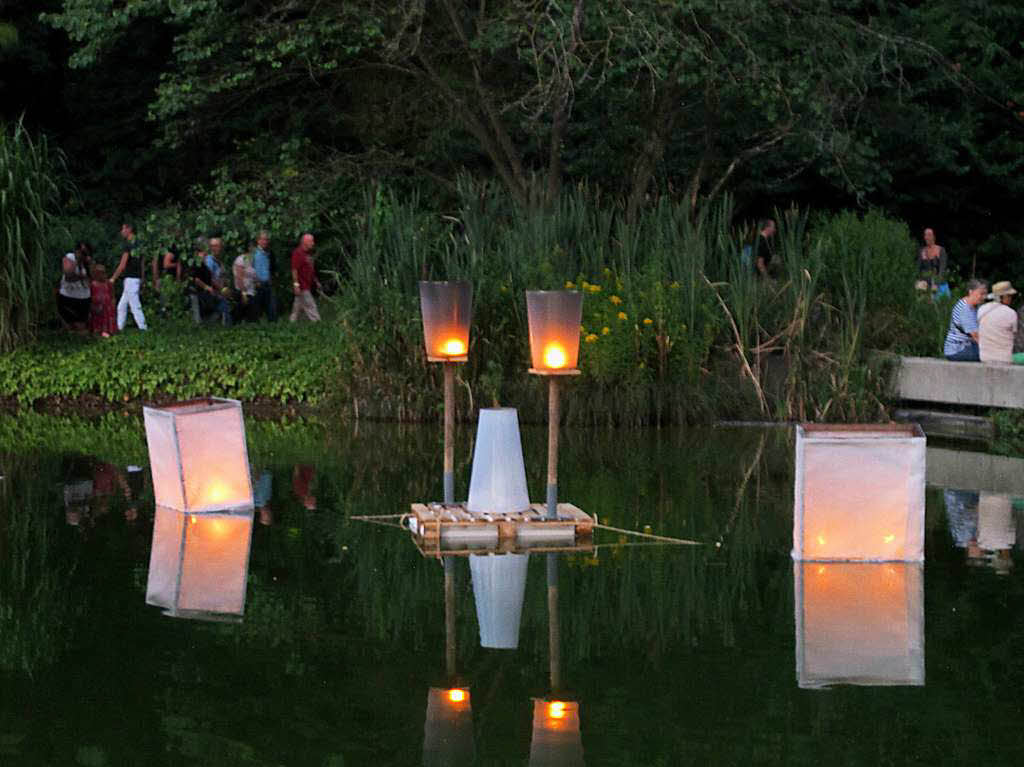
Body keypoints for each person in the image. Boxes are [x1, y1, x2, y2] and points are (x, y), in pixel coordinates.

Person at [110, 223, 148, 331]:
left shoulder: (128, 245)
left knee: (135, 305)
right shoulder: (139, 244)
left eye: (123, 228)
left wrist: (113, 278)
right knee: (121, 306)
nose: (122, 231)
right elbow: (142, 263)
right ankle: (119, 327)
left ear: (129, 229)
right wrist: (142, 277)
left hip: (130, 279)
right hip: (136, 278)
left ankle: (143, 328)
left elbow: (122, 264)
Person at [943, 279, 987, 361]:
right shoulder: (965, 309)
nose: (983, 297)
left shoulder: (972, 306)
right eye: (981, 294)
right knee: (989, 356)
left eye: (985, 294)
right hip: (957, 350)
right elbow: (975, 336)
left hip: (966, 346)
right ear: (971, 292)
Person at [190, 243, 231, 325]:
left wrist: (221, 288)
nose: (205, 255)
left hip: (207, 292)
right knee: (220, 303)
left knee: (223, 302)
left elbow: (210, 279)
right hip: (198, 292)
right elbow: (196, 279)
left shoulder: (204, 264)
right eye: (203, 253)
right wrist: (207, 287)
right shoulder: (196, 264)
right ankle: (224, 323)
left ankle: (222, 322)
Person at [977, 281, 1018, 363]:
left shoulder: (981, 309)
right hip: (1004, 359)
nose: (1011, 298)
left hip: (984, 357)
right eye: (1009, 296)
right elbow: (1015, 334)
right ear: (1002, 297)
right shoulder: (1011, 313)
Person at [57, 241, 93, 331]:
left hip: (83, 297)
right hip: (68, 296)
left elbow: (92, 278)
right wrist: (78, 261)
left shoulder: (87, 262)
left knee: (81, 326)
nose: (82, 254)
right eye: (81, 251)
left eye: (85, 252)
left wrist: (89, 264)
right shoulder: (70, 257)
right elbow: (68, 274)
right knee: (68, 326)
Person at [289, 233, 321, 322]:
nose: (313, 243)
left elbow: (310, 270)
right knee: (311, 306)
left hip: (307, 285)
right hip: (302, 286)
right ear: (305, 242)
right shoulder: (297, 253)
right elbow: (294, 270)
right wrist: (296, 285)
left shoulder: (308, 254)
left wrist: (316, 281)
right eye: (311, 241)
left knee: (297, 308)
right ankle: (318, 323)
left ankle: (291, 324)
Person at [916, 228, 949, 297]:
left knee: (936, 295)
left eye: (929, 235)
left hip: (937, 281)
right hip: (924, 281)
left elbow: (942, 268)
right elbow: (918, 268)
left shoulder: (941, 250)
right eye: (925, 235)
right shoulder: (922, 251)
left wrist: (937, 283)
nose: (926, 237)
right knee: (919, 288)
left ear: (934, 237)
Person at [252, 230, 277, 321]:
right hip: (257, 284)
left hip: (268, 283)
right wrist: (254, 281)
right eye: (263, 239)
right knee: (256, 310)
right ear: (258, 240)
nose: (265, 242)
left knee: (272, 309)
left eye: (266, 240)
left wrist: (271, 278)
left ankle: (274, 328)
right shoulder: (253, 253)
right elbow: (249, 269)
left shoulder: (270, 253)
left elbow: (273, 268)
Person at [88, 263, 117, 337]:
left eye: (103, 273)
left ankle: (108, 331)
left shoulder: (108, 283)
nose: (101, 275)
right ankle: (97, 332)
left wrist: (113, 305)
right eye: (99, 273)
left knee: (107, 319)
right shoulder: (92, 284)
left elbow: (112, 295)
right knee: (97, 320)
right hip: (96, 307)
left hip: (107, 307)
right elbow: (89, 297)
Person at [232, 245, 257, 323]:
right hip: (242, 291)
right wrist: (243, 293)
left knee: (251, 315)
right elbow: (239, 277)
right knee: (239, 313)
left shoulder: (251, 260)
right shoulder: (241, 259)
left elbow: (251, 275)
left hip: (251, 291)